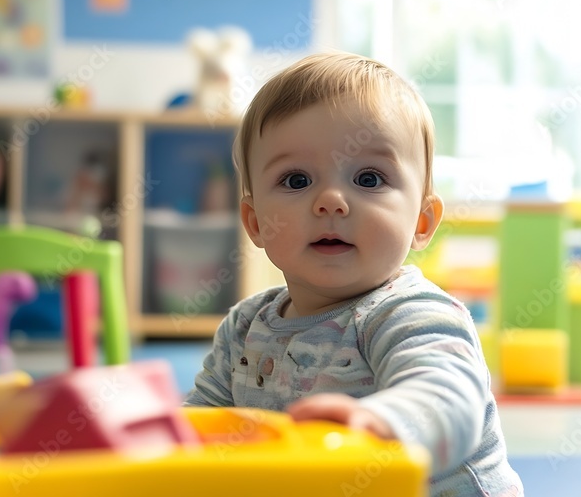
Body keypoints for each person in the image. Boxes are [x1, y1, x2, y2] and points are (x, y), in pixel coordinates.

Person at [184, 52, 523, 496]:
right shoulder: (244, 330)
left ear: (421, 221)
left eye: (368, 178)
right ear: (255, 223)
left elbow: (449, 396)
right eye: (296, 180)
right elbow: (204, 426)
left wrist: (384, 422)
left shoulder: (409, 313)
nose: (330, 201)